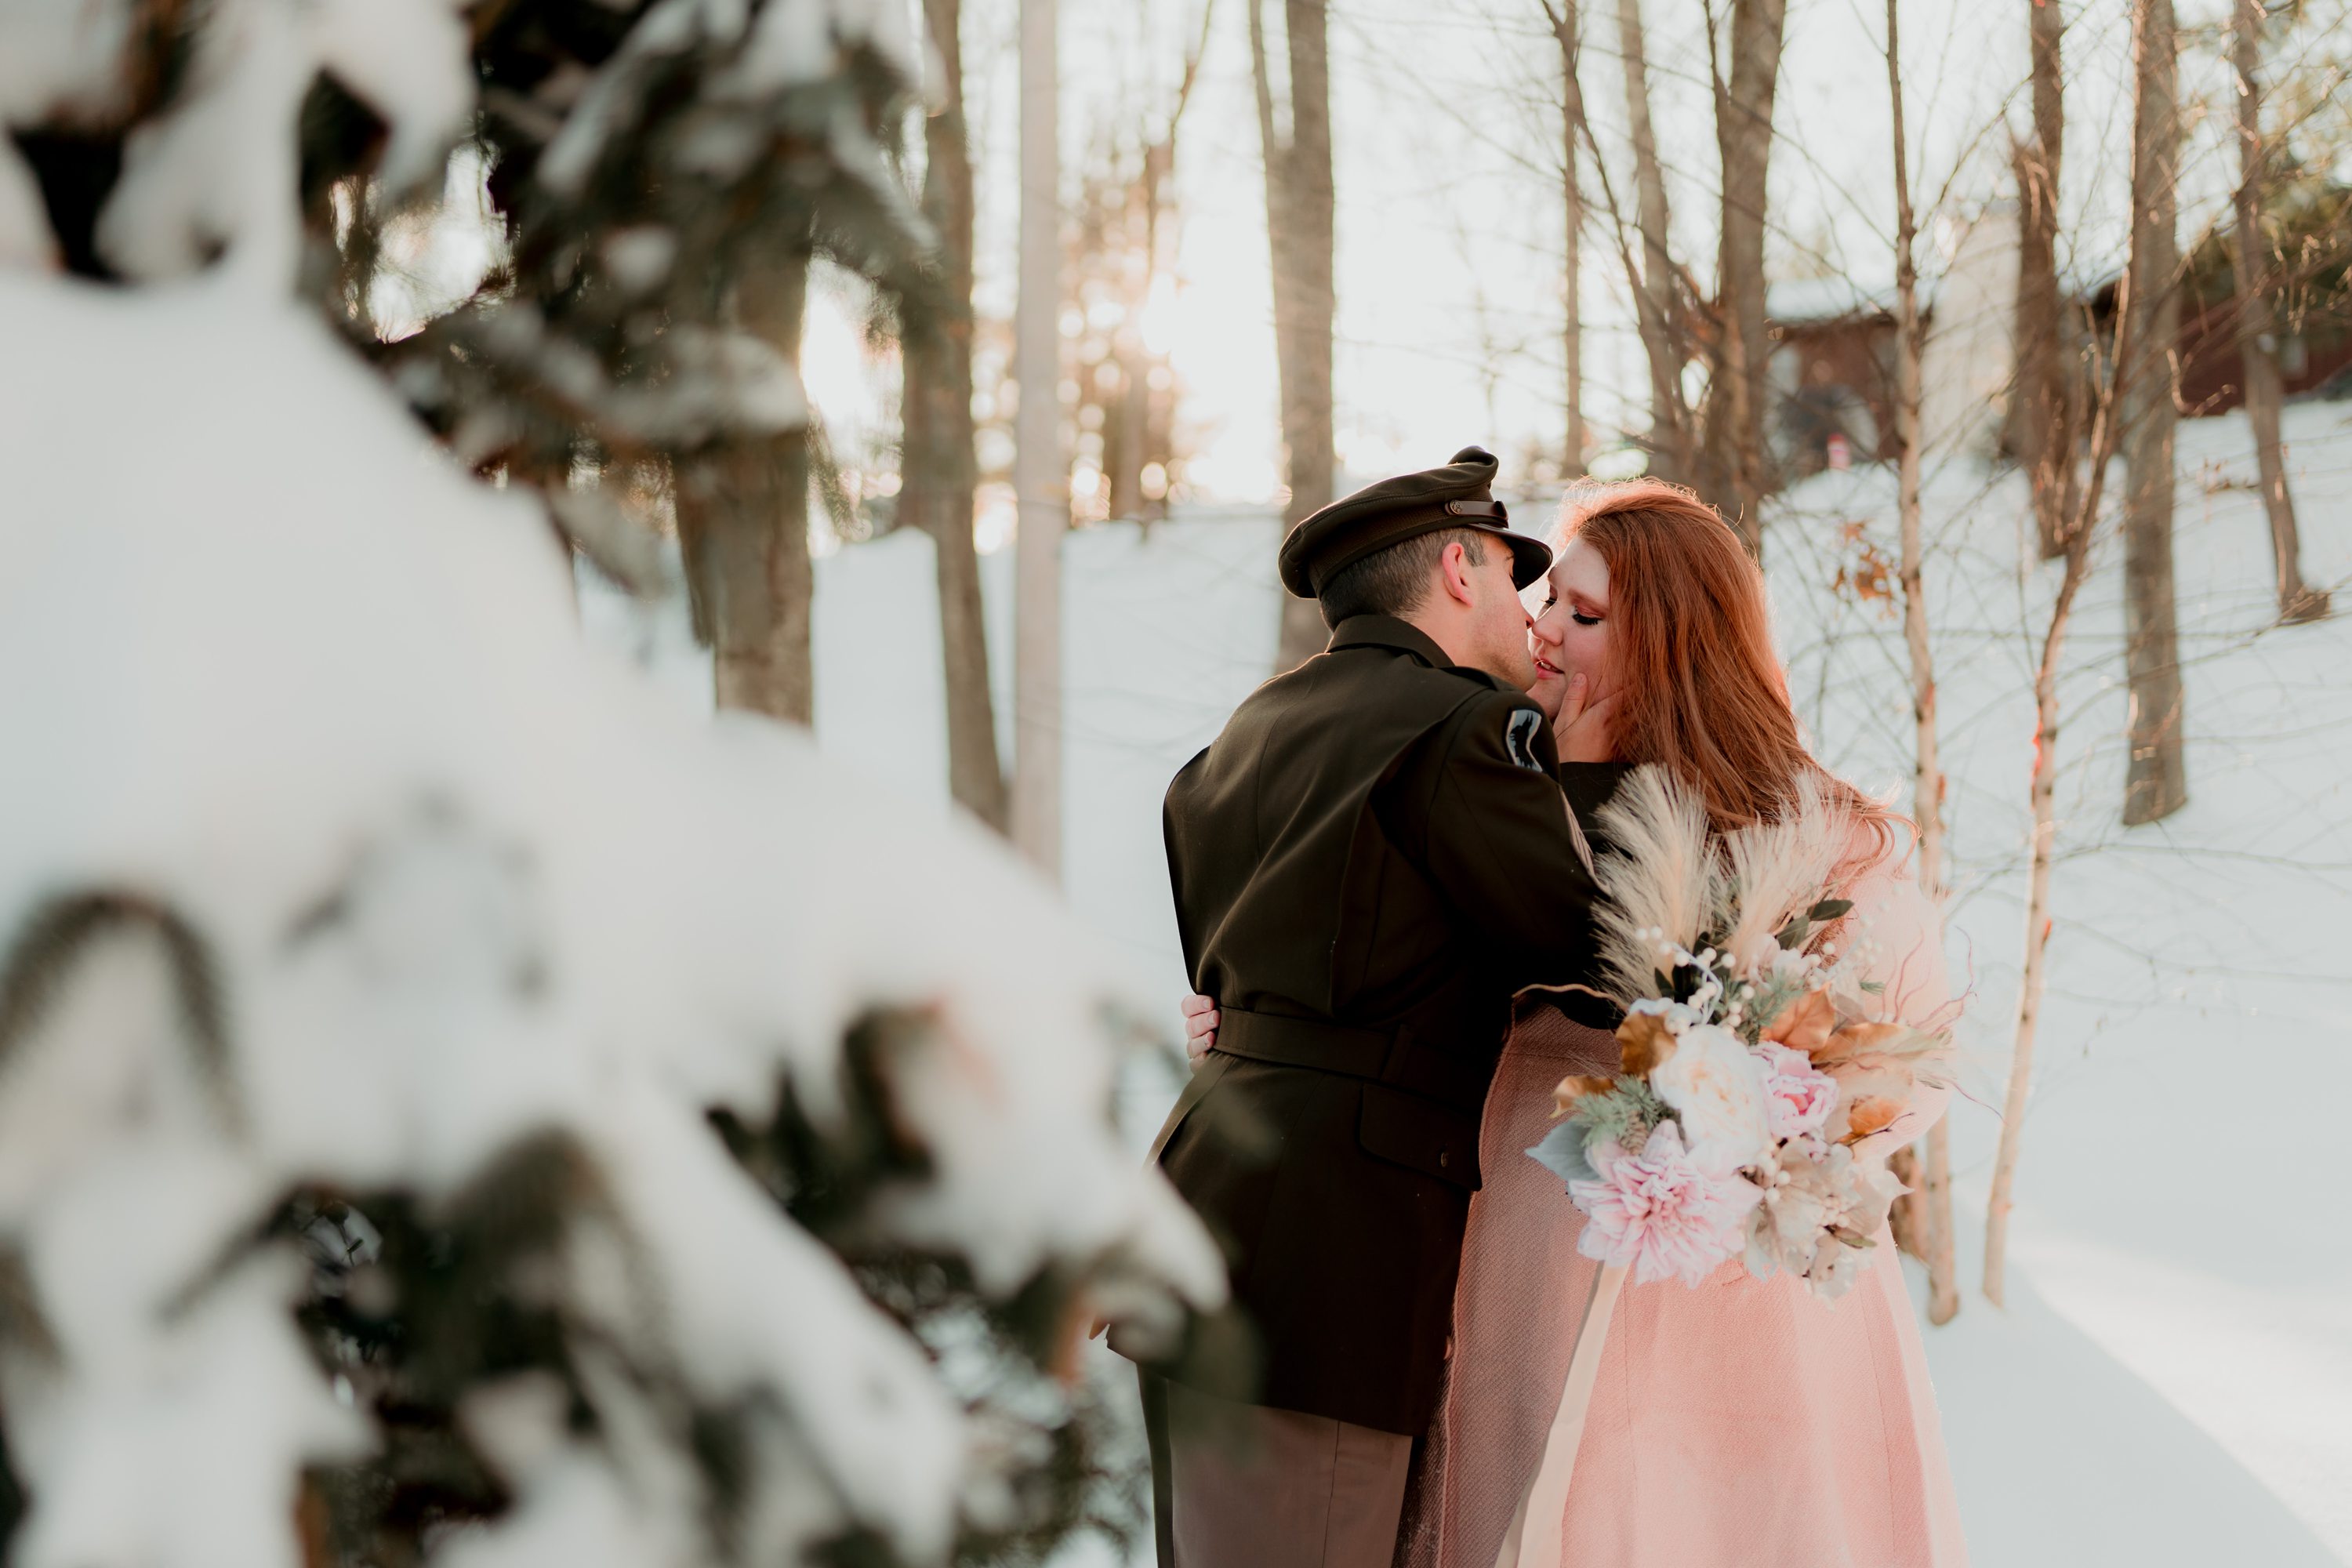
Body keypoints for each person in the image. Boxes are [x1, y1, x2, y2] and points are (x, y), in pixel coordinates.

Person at [1186, 478, 1968, 1568]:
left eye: (1586, 616)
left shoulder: (1813, 830)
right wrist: (1261, 1023)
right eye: (1549, 599)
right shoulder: (1490, 784)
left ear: (1678, 642)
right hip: (1512, 1248)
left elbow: (1906, 1057)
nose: (1545, 628)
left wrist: (1760, 1132)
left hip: (1735, 1298)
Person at [1112, 447, 1627, 1568]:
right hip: (1334, 1265)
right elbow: (1597, 960)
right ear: (1455, 568)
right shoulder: (1459, 731)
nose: (1527, 609)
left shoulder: (1231, 746)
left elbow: (1230, 982)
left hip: (1200, 1213)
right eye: (1509, 574)